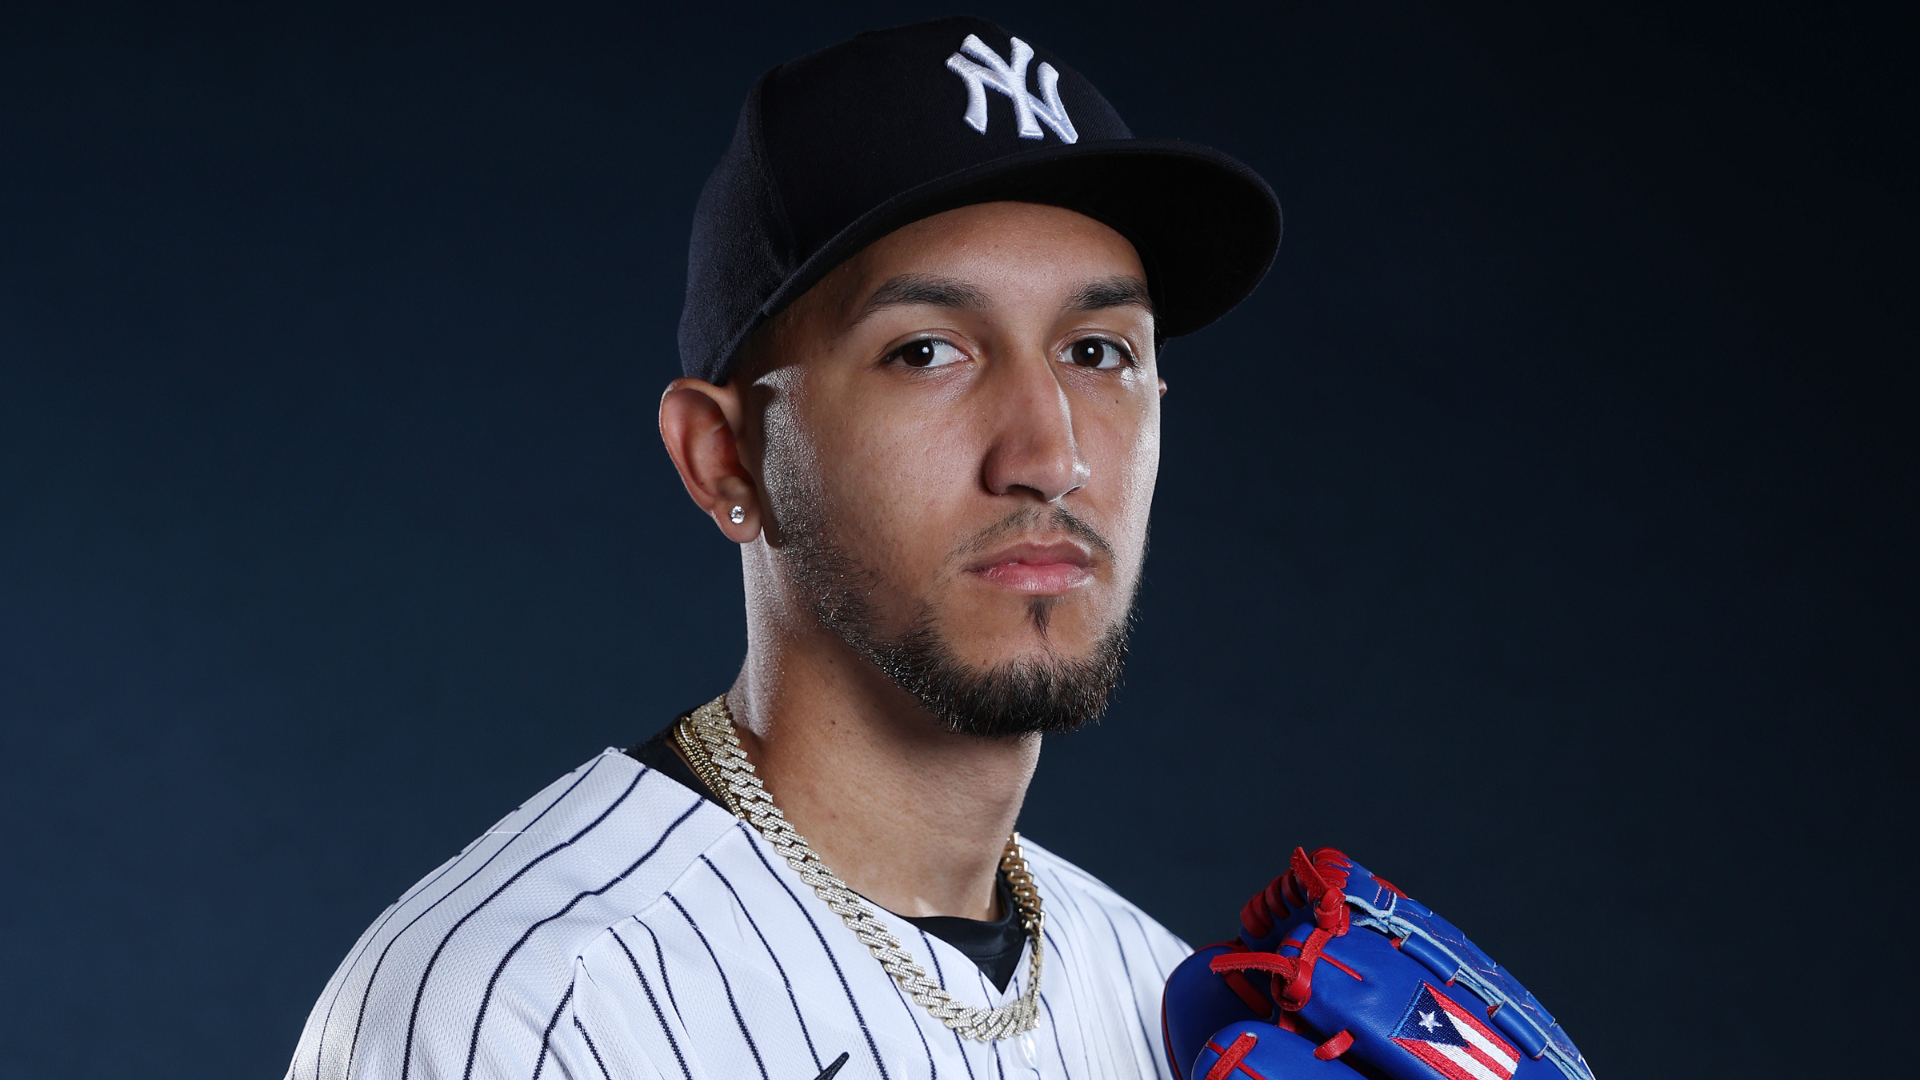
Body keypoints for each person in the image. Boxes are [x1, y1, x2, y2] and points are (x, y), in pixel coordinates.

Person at [285, 16, 1280, 1080]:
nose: (1052, 454)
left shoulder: (1167, 1003)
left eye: (1097, 352)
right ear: (724, 458)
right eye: (928, 351)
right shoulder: (535, 1011)